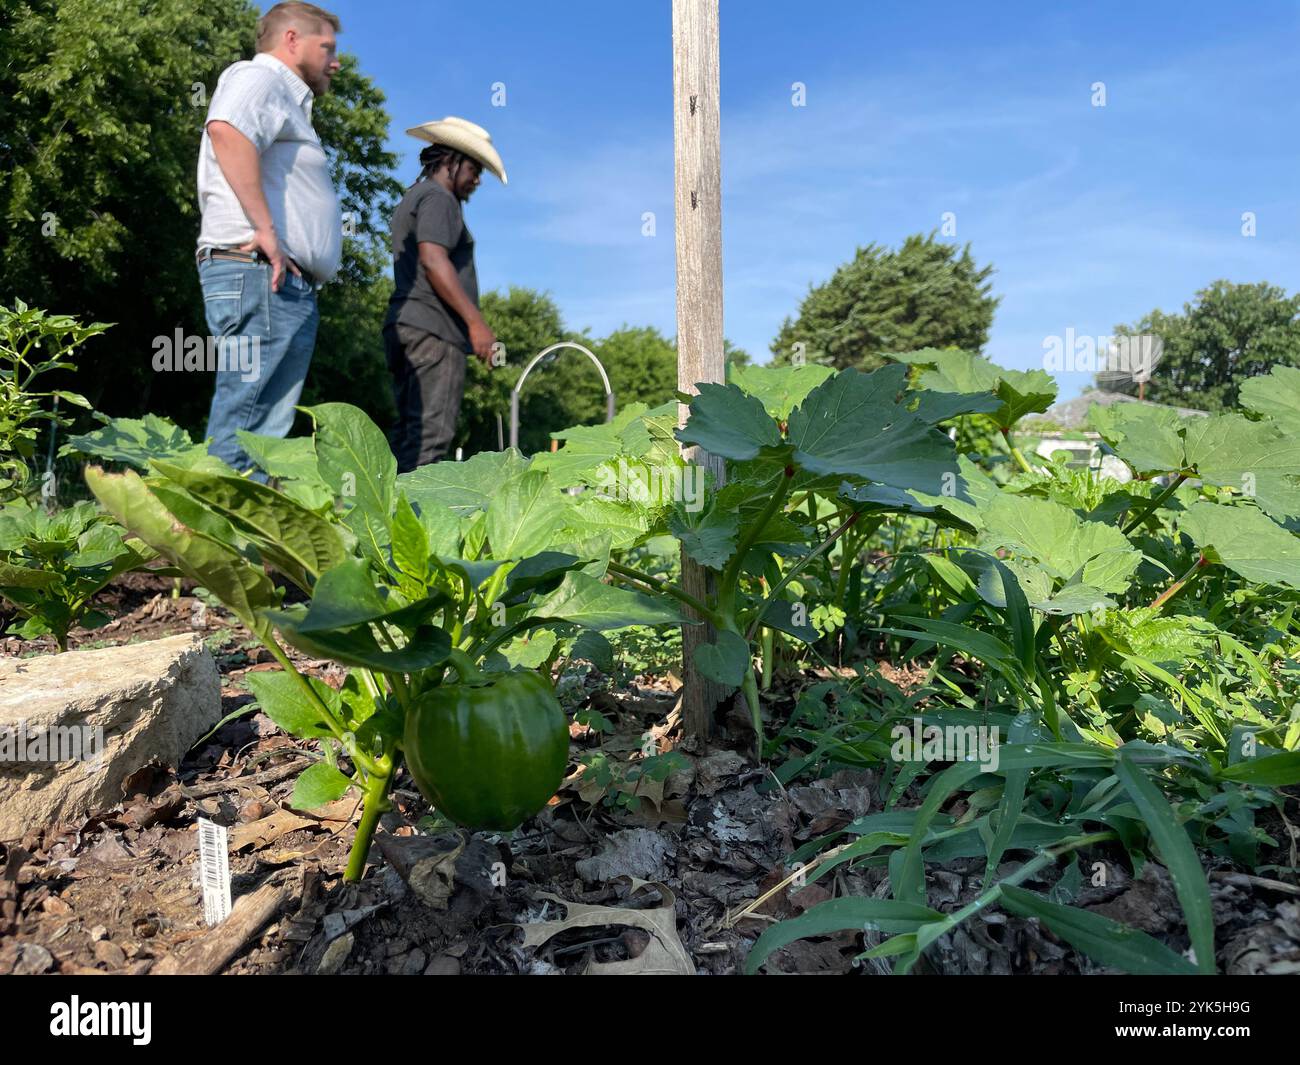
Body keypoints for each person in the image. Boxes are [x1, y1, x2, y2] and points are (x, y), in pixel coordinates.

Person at [196, 1, 343, 471]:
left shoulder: (286, 99)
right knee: (245, 424)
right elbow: (227, 131)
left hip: (280, 283)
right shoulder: (260, 79)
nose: (335, 62)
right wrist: (266, 231)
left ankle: (235, 540)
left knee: (262, 438)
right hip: (259, 271)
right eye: (328, 48)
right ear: (292, 39)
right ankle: (202, 537)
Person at [384, 117, 507, 472]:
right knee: (430, 438)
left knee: (410, 434)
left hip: (409, 326)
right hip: (434, 332)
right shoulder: (439, 199)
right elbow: (435, 261)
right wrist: (476, 324)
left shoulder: (417, 196)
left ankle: (381, 519)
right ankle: (411, 524)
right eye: (473, 168)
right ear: (450, 161)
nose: (478, 179)